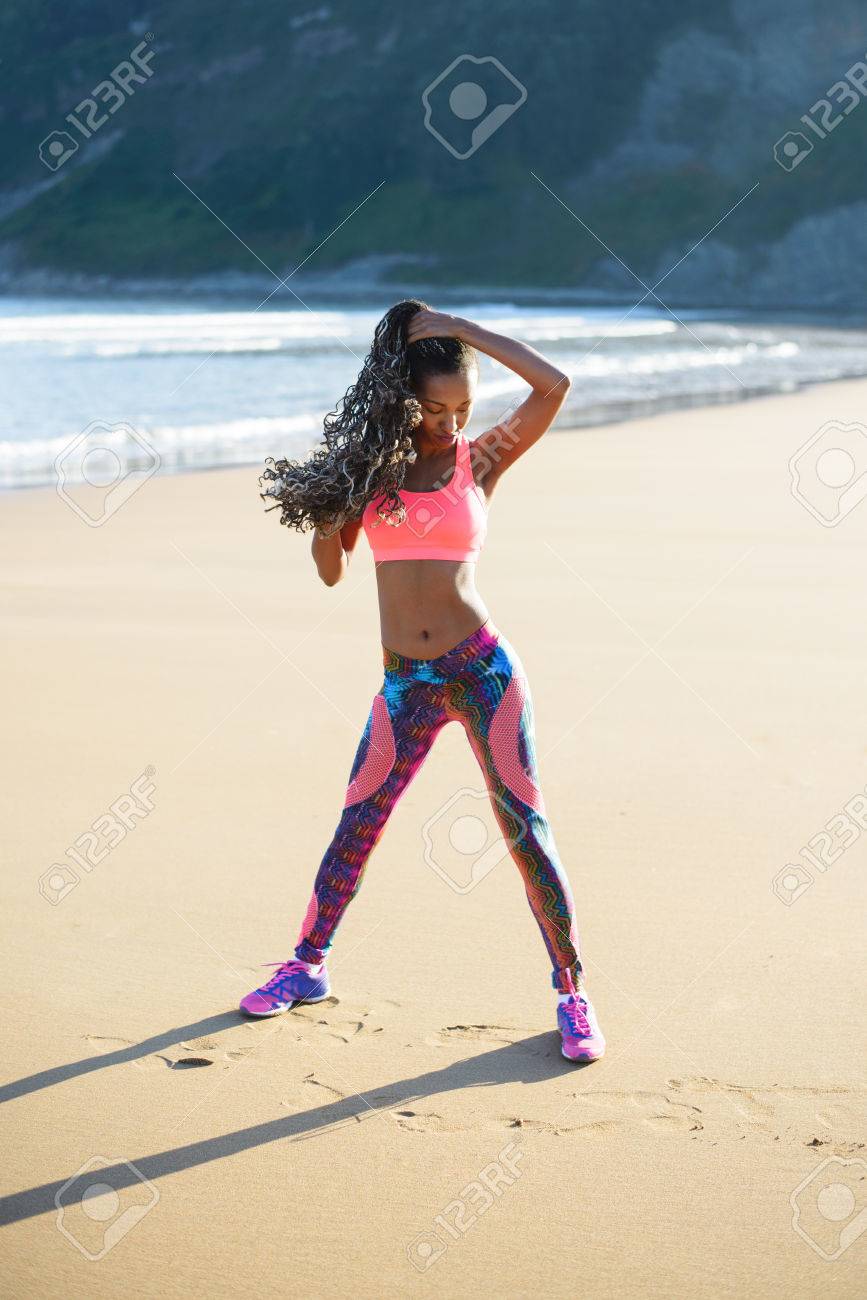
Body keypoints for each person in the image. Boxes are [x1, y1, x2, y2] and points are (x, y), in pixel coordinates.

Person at [242, 299, 605, 1063]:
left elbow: (553, 384)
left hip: (482, 671)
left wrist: (463, 331)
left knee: (523, 831)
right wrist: (325, 517)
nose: (451, 422)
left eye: (463, 406)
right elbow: (332, 572)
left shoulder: (483, 459)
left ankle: (572, 993)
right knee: (357, 822)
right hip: (404, 682)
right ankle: (306, 967)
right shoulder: (368, 473)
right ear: (402, 400)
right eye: (436, 407)